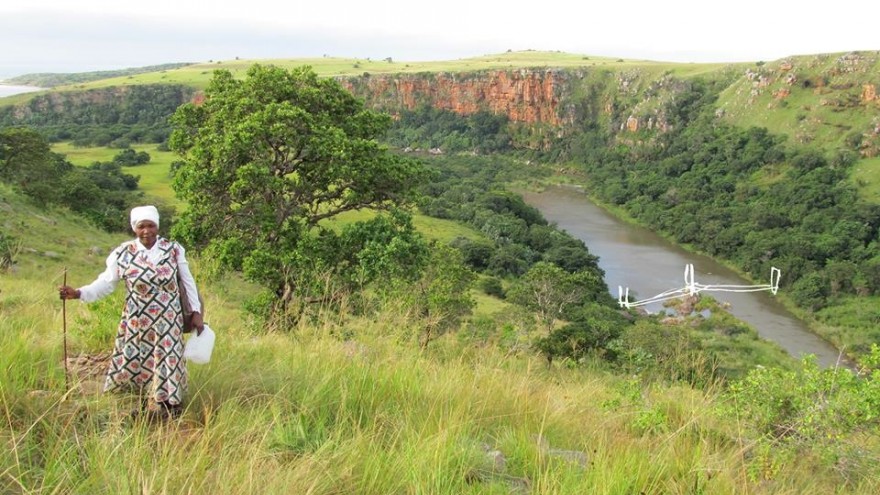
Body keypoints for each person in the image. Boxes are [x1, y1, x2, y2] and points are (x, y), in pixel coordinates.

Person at [58, 205, 203, 420]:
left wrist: (196, 311)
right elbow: (106, 283)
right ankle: (137, 406)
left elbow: (188, 281)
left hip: (168, 319)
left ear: (157, 226)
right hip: (137, 319)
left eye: (151, 225)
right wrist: (78, 293)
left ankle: (169, 407)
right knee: (137, 358)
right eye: (141, 226)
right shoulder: (123, 253)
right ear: (134, 228)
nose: (147, 231)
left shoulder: (173, 249)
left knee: (168, 358)